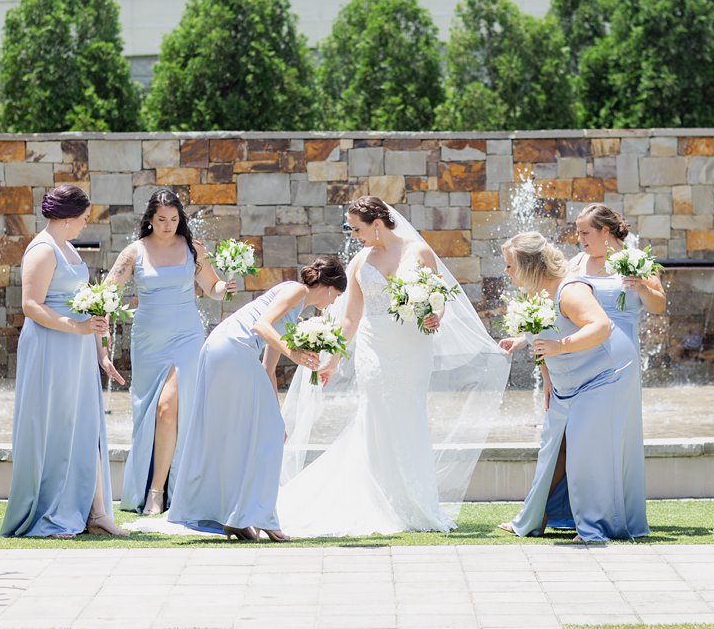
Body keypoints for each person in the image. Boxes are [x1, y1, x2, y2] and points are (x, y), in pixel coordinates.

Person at [277, 196, 510, 537]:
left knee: (409, 414)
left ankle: (416, 502)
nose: (354, 235)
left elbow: (440, 298)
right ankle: (377, 498)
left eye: (357, 228)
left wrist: (436, 315)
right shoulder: (360, 261)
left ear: (376, 224)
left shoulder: (419, 253)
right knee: (374, 416)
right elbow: (351, 318)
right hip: (374, 348)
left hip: (413, 347)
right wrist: (332, 360)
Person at [167, 256, 347, 541]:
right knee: (261, 435)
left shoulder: (294, 311)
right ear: (328, 287)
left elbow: (268, 369)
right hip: (233, 348)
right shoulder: (296, 290)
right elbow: (261, 325)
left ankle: (238, 517)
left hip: (223, 349)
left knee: (247, 433)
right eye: (337, 296)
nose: (334, 303)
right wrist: (297, 354)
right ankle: (261, 517)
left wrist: (276, 418)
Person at [497, 231, 642, 542]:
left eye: (510, 265)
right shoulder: (534, 294)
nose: (507, 272)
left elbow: (600, 327)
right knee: (554, 446)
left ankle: (594, 525)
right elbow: (541, 339)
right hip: (567, 379)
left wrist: (559, 348)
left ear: (528, 265)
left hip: (605, 373)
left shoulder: (570, 290)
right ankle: (537, 516)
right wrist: (548, 378)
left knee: (585, 446)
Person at [1, 184, 126, 538]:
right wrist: (76, 327)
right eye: (84, 218)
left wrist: (100, 349)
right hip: (50, 347)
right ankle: (51, 514)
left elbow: (86, 302)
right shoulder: (42, 250)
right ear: (68, 216)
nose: (86, 224)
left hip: (78, 347)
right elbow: (30, 305)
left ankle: (97, 512)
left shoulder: (67, 247)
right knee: (56, 427)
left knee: (86, 424)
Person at [103, 188, 237, 516]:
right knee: (149, 414)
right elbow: (105, 295)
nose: (168, 225)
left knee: (169, 408)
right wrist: (101, 344)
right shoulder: (134, 252)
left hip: (187, 338)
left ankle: (158, 491)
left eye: (174, 219)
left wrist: (226, 285)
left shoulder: (192, 248)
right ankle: (152, 485)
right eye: (162, 219)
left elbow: (212, 289)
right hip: (148, 342)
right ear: (150, 219)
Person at [570, 203, 666, 537]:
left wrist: (640, 285)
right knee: (583, 435)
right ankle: (582, 513)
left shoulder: (638, 259)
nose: (579, 238)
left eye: (585, 232)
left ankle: (609, 518)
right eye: (578, 232)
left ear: (605, 232)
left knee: (614, 434)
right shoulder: (578, 262)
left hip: (619, 355)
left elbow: (659, 305)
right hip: (582, 355)